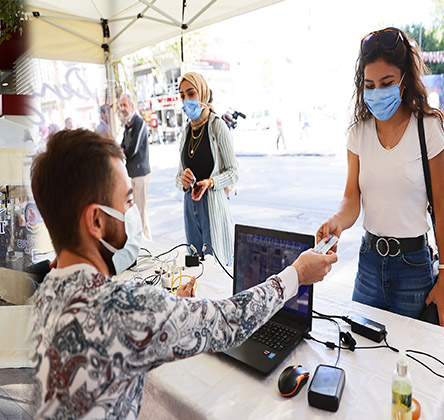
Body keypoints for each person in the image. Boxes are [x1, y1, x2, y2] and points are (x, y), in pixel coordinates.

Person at [29, 129, 337, 418]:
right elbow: (229, 321)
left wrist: (169, 306)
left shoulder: (42, 297)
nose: (133, 212)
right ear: (96, 221)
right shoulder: (124, 308)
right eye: (127, 201)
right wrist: (297, 273)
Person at [317, 27, 444, 325]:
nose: (377, 93)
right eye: (369, 85)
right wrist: (336, 221)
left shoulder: (428, 128)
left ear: (404, 80)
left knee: (411, 364)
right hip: (369, 265)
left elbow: (441, 205)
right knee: (362, 362)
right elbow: (351, 198)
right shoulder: (358, 133)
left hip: (414, 267)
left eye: (386, 83)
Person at [177, 72, 239, 264]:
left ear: (203, 93)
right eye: (182, 96)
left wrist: (211, 182)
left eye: (191, 93)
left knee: (216, 266)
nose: (186, 100)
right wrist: (184, 181)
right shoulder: (186, 131)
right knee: (196, 267)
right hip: (190, 208)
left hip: (212, 206)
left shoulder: (217, 126)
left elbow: (233, 172)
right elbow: (178, 176)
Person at [118, 92, 152, 240]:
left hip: (140, 172)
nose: (123, 108)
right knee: (137, 210)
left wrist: (121, 151)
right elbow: (123, 144)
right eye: (121, 106)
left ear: (132, 105)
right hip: (132, 172)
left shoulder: (138, 122)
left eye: (125, 105)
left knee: (140, 210)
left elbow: (132, 148)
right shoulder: (128, 124)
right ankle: (145, 239)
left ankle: (146, 241)